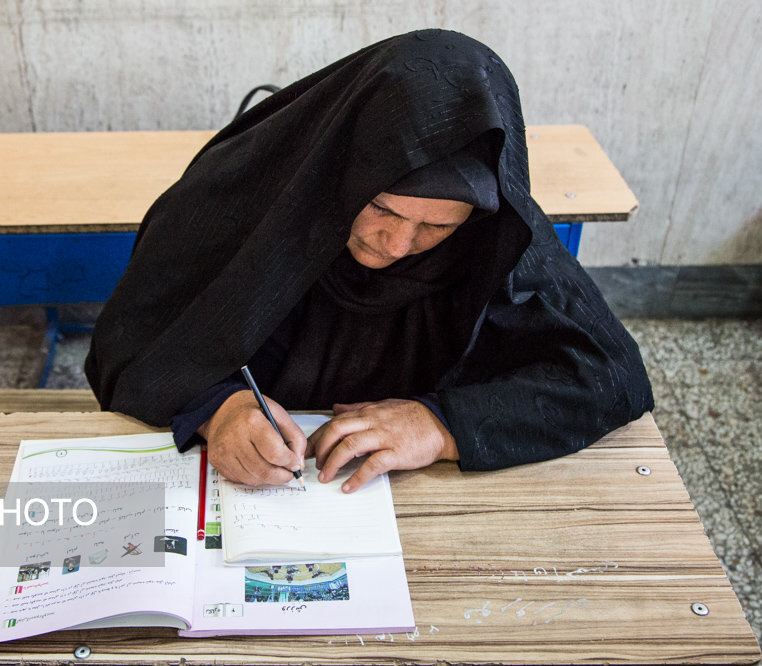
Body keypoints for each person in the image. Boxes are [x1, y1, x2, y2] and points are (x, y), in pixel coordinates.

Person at [85, 29, 654, 493]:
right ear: (340, 173)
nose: (396, 245)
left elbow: (613, 375)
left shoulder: (497, 234)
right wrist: (218, 407)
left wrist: (443, 424)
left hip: (408, 489)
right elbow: (130, 338)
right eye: (380, 207)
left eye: (436, 225)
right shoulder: (248, 196)